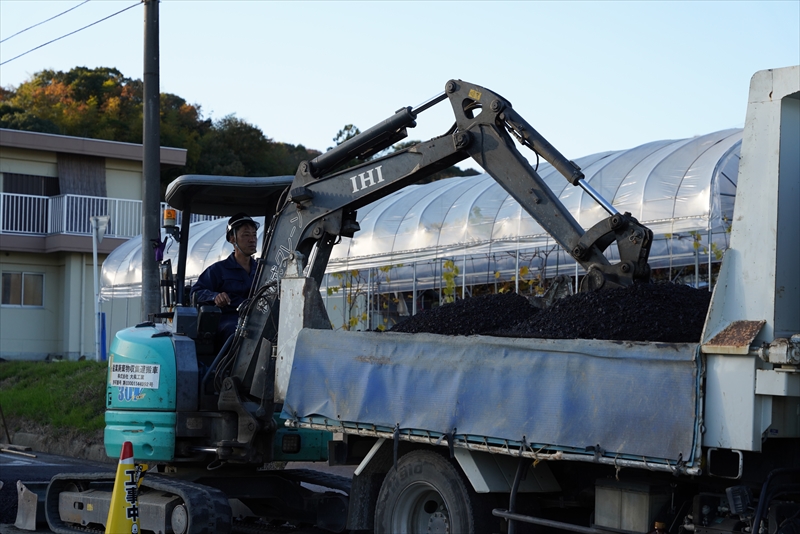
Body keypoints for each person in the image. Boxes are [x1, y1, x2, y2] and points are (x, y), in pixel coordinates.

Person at [191, 212, 260, 344]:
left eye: (254, 235)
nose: (252, 239)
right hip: (230, 320)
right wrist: (214, 296)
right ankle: (232, 365)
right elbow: (196, 293)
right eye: (246, 235)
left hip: (258, 318)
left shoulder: (262, 270)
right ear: (232, 239)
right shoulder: (218, 270)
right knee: (236, 333)